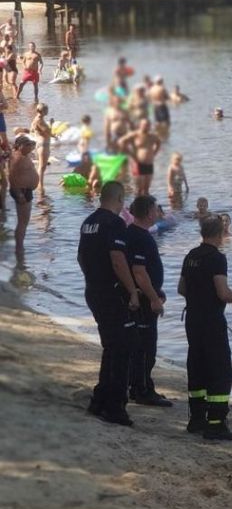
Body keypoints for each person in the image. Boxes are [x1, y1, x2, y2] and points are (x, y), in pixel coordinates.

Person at [77, 181, 140, 427]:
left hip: (93, 290)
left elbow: (81, 257)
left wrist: (92, 278)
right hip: (112, 293)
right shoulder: (114, 223)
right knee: (122, 347)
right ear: (120, 199)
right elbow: (117, 260)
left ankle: (100, 398)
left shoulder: (88, 223)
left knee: (111, 345)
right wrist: (132, 291)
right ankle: (115, 406)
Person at [178, 215, 232, 440]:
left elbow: (181, 289)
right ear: (219, 233)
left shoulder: (191, 256)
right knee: (220, 371)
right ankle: (215, 424)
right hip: (211, 321)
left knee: (197, 367)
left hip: (193, 320)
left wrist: (198, 295)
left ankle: (196, 419)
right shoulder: (217, 258)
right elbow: (222, 292)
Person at [124, 195, 172, 408]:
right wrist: (153, 298)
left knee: (141, 346)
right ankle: (142, 389)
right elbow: (139, 272)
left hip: (146, 295)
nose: (157, 212)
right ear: (147, 213)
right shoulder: (140, 237)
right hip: (144, 301)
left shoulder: (136, 234)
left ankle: (138, 387)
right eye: (154, 209)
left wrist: (157, 291)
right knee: (145, 347)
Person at [8, 135, 38, 263]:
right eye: (27, 145)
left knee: (24, 223)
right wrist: (18, 194)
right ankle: (19, 249)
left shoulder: (24, 156)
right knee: (22, 223)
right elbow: (11, 176)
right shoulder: (17, 157)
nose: (30, 147)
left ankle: (20, 247)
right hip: (21, 191)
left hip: (25, 190)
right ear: (20, 145)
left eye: (31, 145)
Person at [121, 119, 161, 196]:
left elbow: (159, 142)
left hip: (149, 163)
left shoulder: (152, 136)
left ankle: (146, 206)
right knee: (139, 189)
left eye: (148, 125)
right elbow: (121, 141)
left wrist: (155, 153)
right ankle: (137, 206)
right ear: (140, 125)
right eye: (144, 125)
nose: (146, 127)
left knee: (146, 190)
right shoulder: (135, 135)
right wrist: (131, 154)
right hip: (138, 163)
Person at [30, 102, 51, 190]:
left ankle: (39, 185)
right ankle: (40, 186)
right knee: (42, 167)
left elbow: (32, 130)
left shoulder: (36, 119)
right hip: (44, 145)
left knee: (41, 167)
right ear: (43, 111)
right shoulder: (40, 120)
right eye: (47, 110)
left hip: (40, 144)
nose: (48, 111)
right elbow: (48, 133)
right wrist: (51, 124)